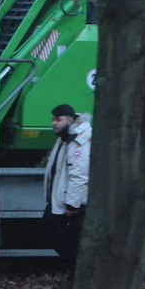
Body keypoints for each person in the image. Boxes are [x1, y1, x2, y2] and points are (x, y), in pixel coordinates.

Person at [44, 104, 91, 274]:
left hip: (70, 205)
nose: (54, 123)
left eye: (58, 119)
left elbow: (79, 176)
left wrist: (72, 206)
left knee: (69, 242)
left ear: (70, 120)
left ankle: (78, 277)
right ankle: (76, 275)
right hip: (61, 200)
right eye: (52, 120)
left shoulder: (78, 140)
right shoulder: (66, 137)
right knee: (55, 234)